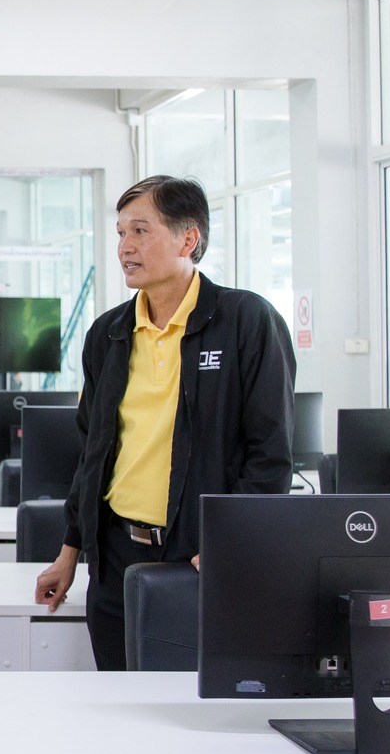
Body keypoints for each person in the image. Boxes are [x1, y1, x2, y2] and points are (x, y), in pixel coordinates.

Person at [34, 175, 295, 670]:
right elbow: (92, 454)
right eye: (120, 233)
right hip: (114, 557)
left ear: (187, 239)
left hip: (196, 557)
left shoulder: (245, 321)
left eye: (140, 231)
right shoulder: (108, 334)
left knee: (188, 704)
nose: (124, 247)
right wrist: (70, 552)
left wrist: (226, 543)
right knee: (118, 697)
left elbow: (271, 452)